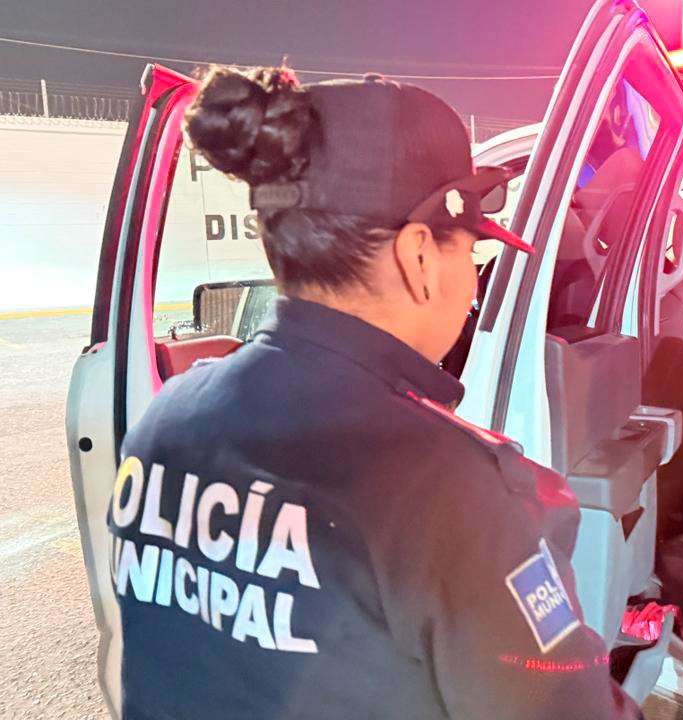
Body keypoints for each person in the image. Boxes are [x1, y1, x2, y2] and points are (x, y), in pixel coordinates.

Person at [105, 66, 639, 719]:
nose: (473, 283)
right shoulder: (447, 490)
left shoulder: (165, 420)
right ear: (420, 256)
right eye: (471, 254)